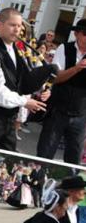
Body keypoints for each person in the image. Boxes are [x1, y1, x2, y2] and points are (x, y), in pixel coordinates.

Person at [0, 8, 53, 151]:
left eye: (20, 25)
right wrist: (25, 101)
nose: (17, 29)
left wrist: (44, 82)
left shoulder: (14, 50)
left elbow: (22, 81)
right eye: (12, 25)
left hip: (9, 120)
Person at [37, 19, 86, 165]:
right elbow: (55, 78)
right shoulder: (64, 48)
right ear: (77, 34)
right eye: (85, 33)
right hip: (58, 111)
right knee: (45, 153)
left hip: (81, 114)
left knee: (74, 158)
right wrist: (77, 68)